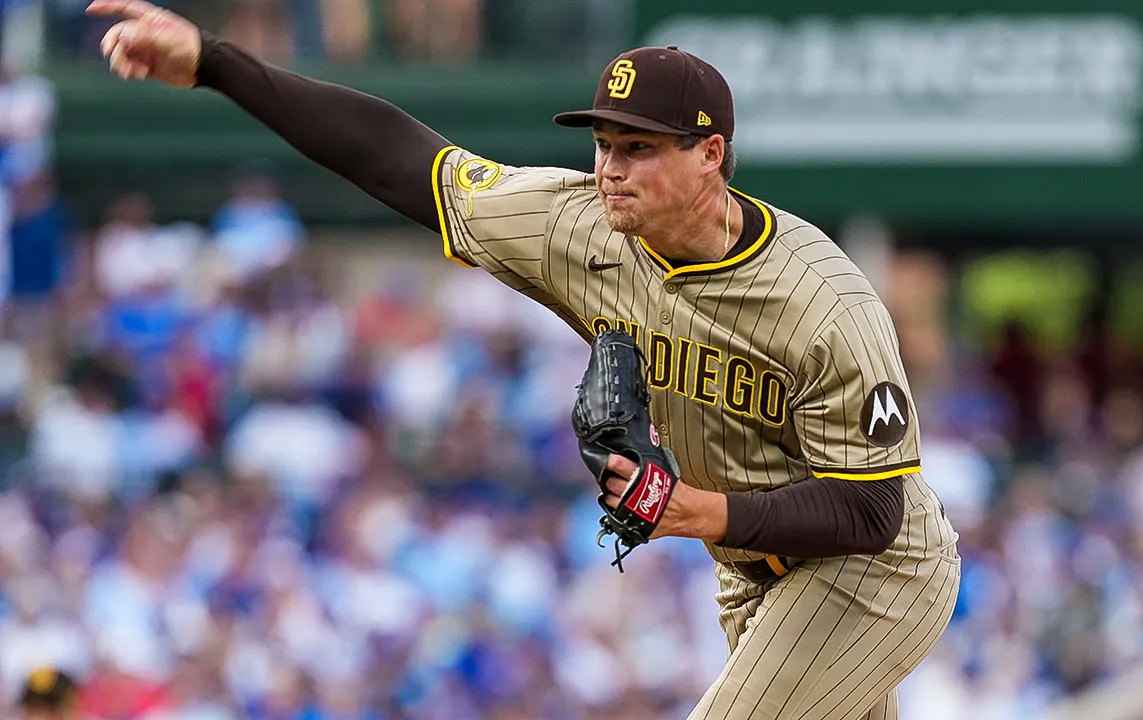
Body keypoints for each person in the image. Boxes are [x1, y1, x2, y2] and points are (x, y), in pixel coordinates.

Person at [84, 2, 961, 717]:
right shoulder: (580, 225)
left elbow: (872, 510)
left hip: (875, 573)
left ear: (710, 156)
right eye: (603, 143)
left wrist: (694, 509)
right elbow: (399, 158)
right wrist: (217, 63)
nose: (609, 168)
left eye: (638, 148)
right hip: (756, 581)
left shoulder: (822, 302)